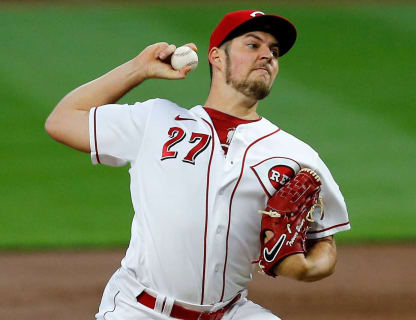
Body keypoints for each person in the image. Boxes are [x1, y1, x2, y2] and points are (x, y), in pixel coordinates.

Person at [45, 9, 350, 320]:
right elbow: (62, 120)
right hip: (139, 309)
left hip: (230, 312)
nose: (267, 56)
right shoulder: (155, 120)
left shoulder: (296, 156)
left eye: (274, 51)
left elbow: (324, 240)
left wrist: (308, 268)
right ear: (216, 57)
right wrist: (138, 69)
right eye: (253, 45)